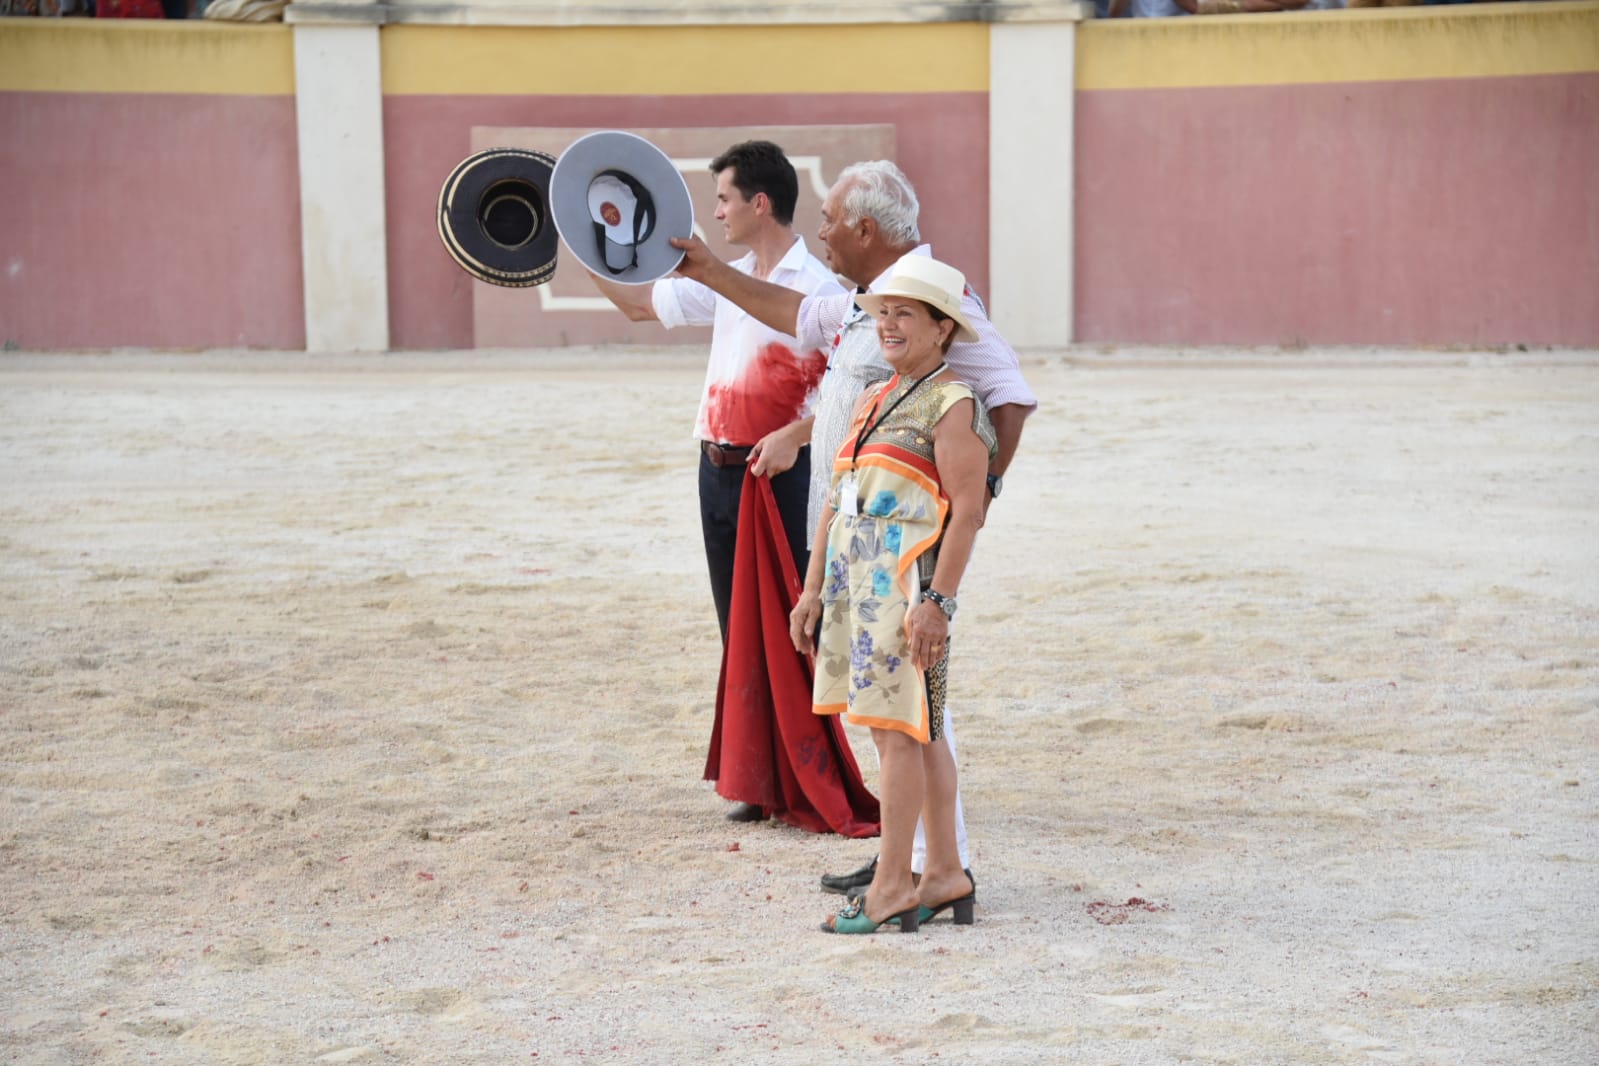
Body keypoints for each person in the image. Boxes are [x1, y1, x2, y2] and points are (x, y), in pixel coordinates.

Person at [670, 159, 1036, 897]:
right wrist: (708, 270)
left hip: (902, 542)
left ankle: (941, 865)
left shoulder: (936, 298)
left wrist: (971, 500)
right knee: (887, 705)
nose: (822, 233)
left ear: (866, 229)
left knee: (915, 705)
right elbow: (791, 314)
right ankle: (910, 857)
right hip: (853, 535)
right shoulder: (873, 302)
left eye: (832, 221)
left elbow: (1008, 396)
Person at [586, 140, 879, 831]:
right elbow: (636, 306)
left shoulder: (822, 286)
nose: (713, 212)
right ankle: (760, 778)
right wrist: (581, 239)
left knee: (796, 626)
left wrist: (795, 435)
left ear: (759, 202)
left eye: (722, 199)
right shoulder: (724, 273)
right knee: (737, 625)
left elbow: (861, 387)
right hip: (717, 468)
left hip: (782, 474)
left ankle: (808, 776)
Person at [789, 254, 996, 933]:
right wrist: (812, 587)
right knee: (918, 732)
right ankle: (942, 873)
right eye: (882, 313)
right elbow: (836, 498)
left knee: (896, 734)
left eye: (904, 313)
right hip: (857, 582)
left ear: (943, 329)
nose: (888, 325)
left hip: (903, 583)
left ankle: (890, 886)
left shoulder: (953, 403)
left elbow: (966, 511)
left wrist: (938, 601)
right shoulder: (877, 395)